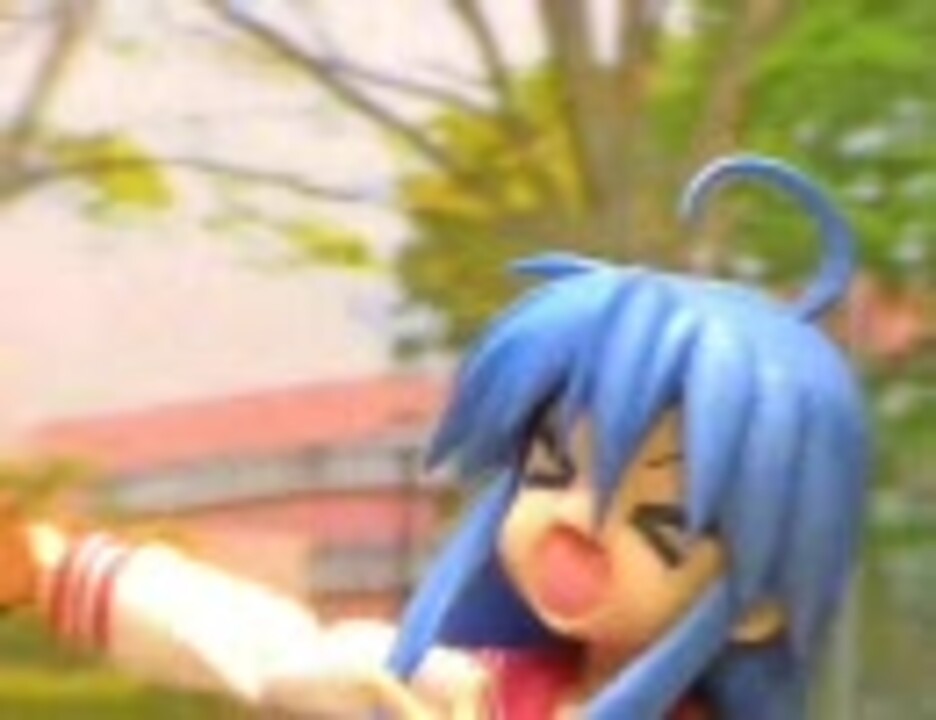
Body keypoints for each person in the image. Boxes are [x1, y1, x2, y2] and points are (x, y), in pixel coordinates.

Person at [0, 155, 868, 719]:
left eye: (661, 522)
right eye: (551, 470)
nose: (575, 524)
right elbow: (269, 652)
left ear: (760, 601)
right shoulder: (462, 691)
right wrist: (49, 564)